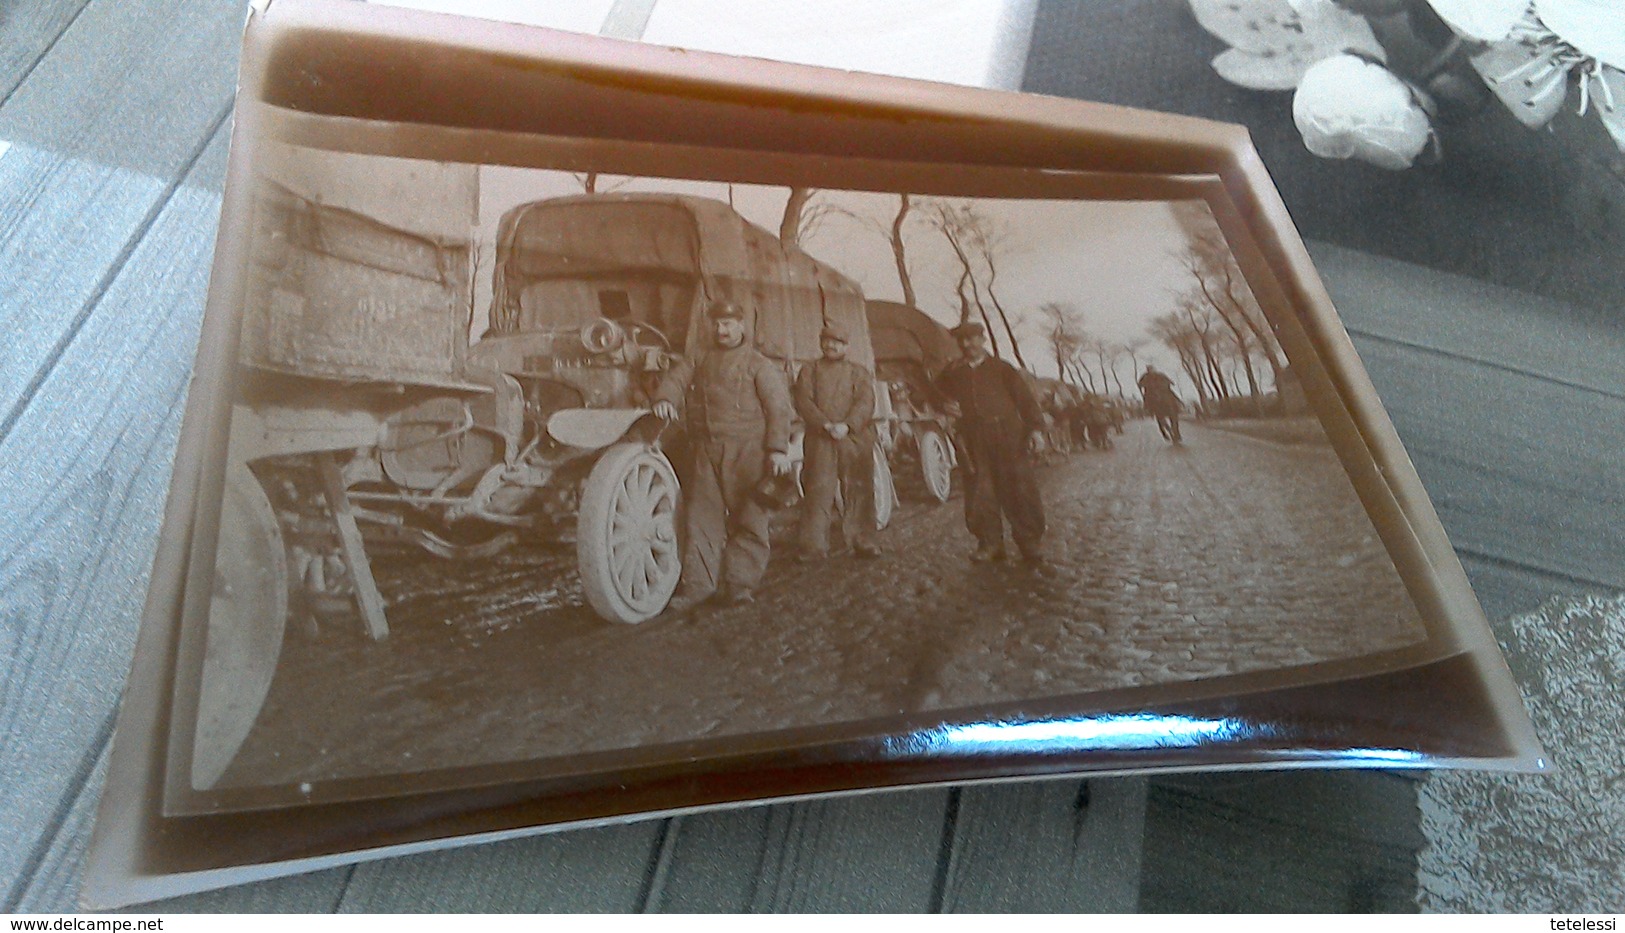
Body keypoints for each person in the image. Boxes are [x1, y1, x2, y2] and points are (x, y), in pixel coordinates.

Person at [652, 300, 794, 610]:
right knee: (701, 521)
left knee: (750, 519)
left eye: (728, 324)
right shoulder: (699, 358)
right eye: (716, 323)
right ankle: (699, 588)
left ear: (742, 325)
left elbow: (778, 407)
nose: (721, 330)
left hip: (749, 451)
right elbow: (676, 379)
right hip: (706, 450)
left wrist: (777, 449)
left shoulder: (758, 364)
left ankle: (739, 584)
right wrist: (666, 398)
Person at [933, 321, 1047, 563]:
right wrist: (942, 404)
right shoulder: (952, 372)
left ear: (983, 340)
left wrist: (1036, 430)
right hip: (973, 438)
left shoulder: (1002, 368)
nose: (967, 345)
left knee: (1019, 489)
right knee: (980, 493)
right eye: (962, 340)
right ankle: (990, 543)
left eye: (972, 339)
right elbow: (932, 393)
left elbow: (1026, 401)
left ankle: (1029, 542)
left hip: (1008, 436)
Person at [793, 324, 881, 560]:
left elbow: (865, 403)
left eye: (837, 342)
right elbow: (803, 401)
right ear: (821, 343)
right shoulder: (809, 370)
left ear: (846, 346)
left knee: (859, 490)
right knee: (817, 490)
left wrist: (848, 425)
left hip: (854, 439)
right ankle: (813, 547)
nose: (831, 345)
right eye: (827, 341)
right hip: (820, 440)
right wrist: (824, 424)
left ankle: (863, 541)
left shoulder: (858, 372)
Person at [1137, 365, 1182, 443]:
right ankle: (1149, 410)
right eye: (1150, 369)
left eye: (1151, 369)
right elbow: (1140, 384)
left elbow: (1170, 382)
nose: (1151, 370)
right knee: (1149, 401)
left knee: (1172, 397)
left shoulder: (1158, 375)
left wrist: (1169, 383)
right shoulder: (1146, 376)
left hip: (1161, 393)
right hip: (1154, 394)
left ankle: (1176, 431)